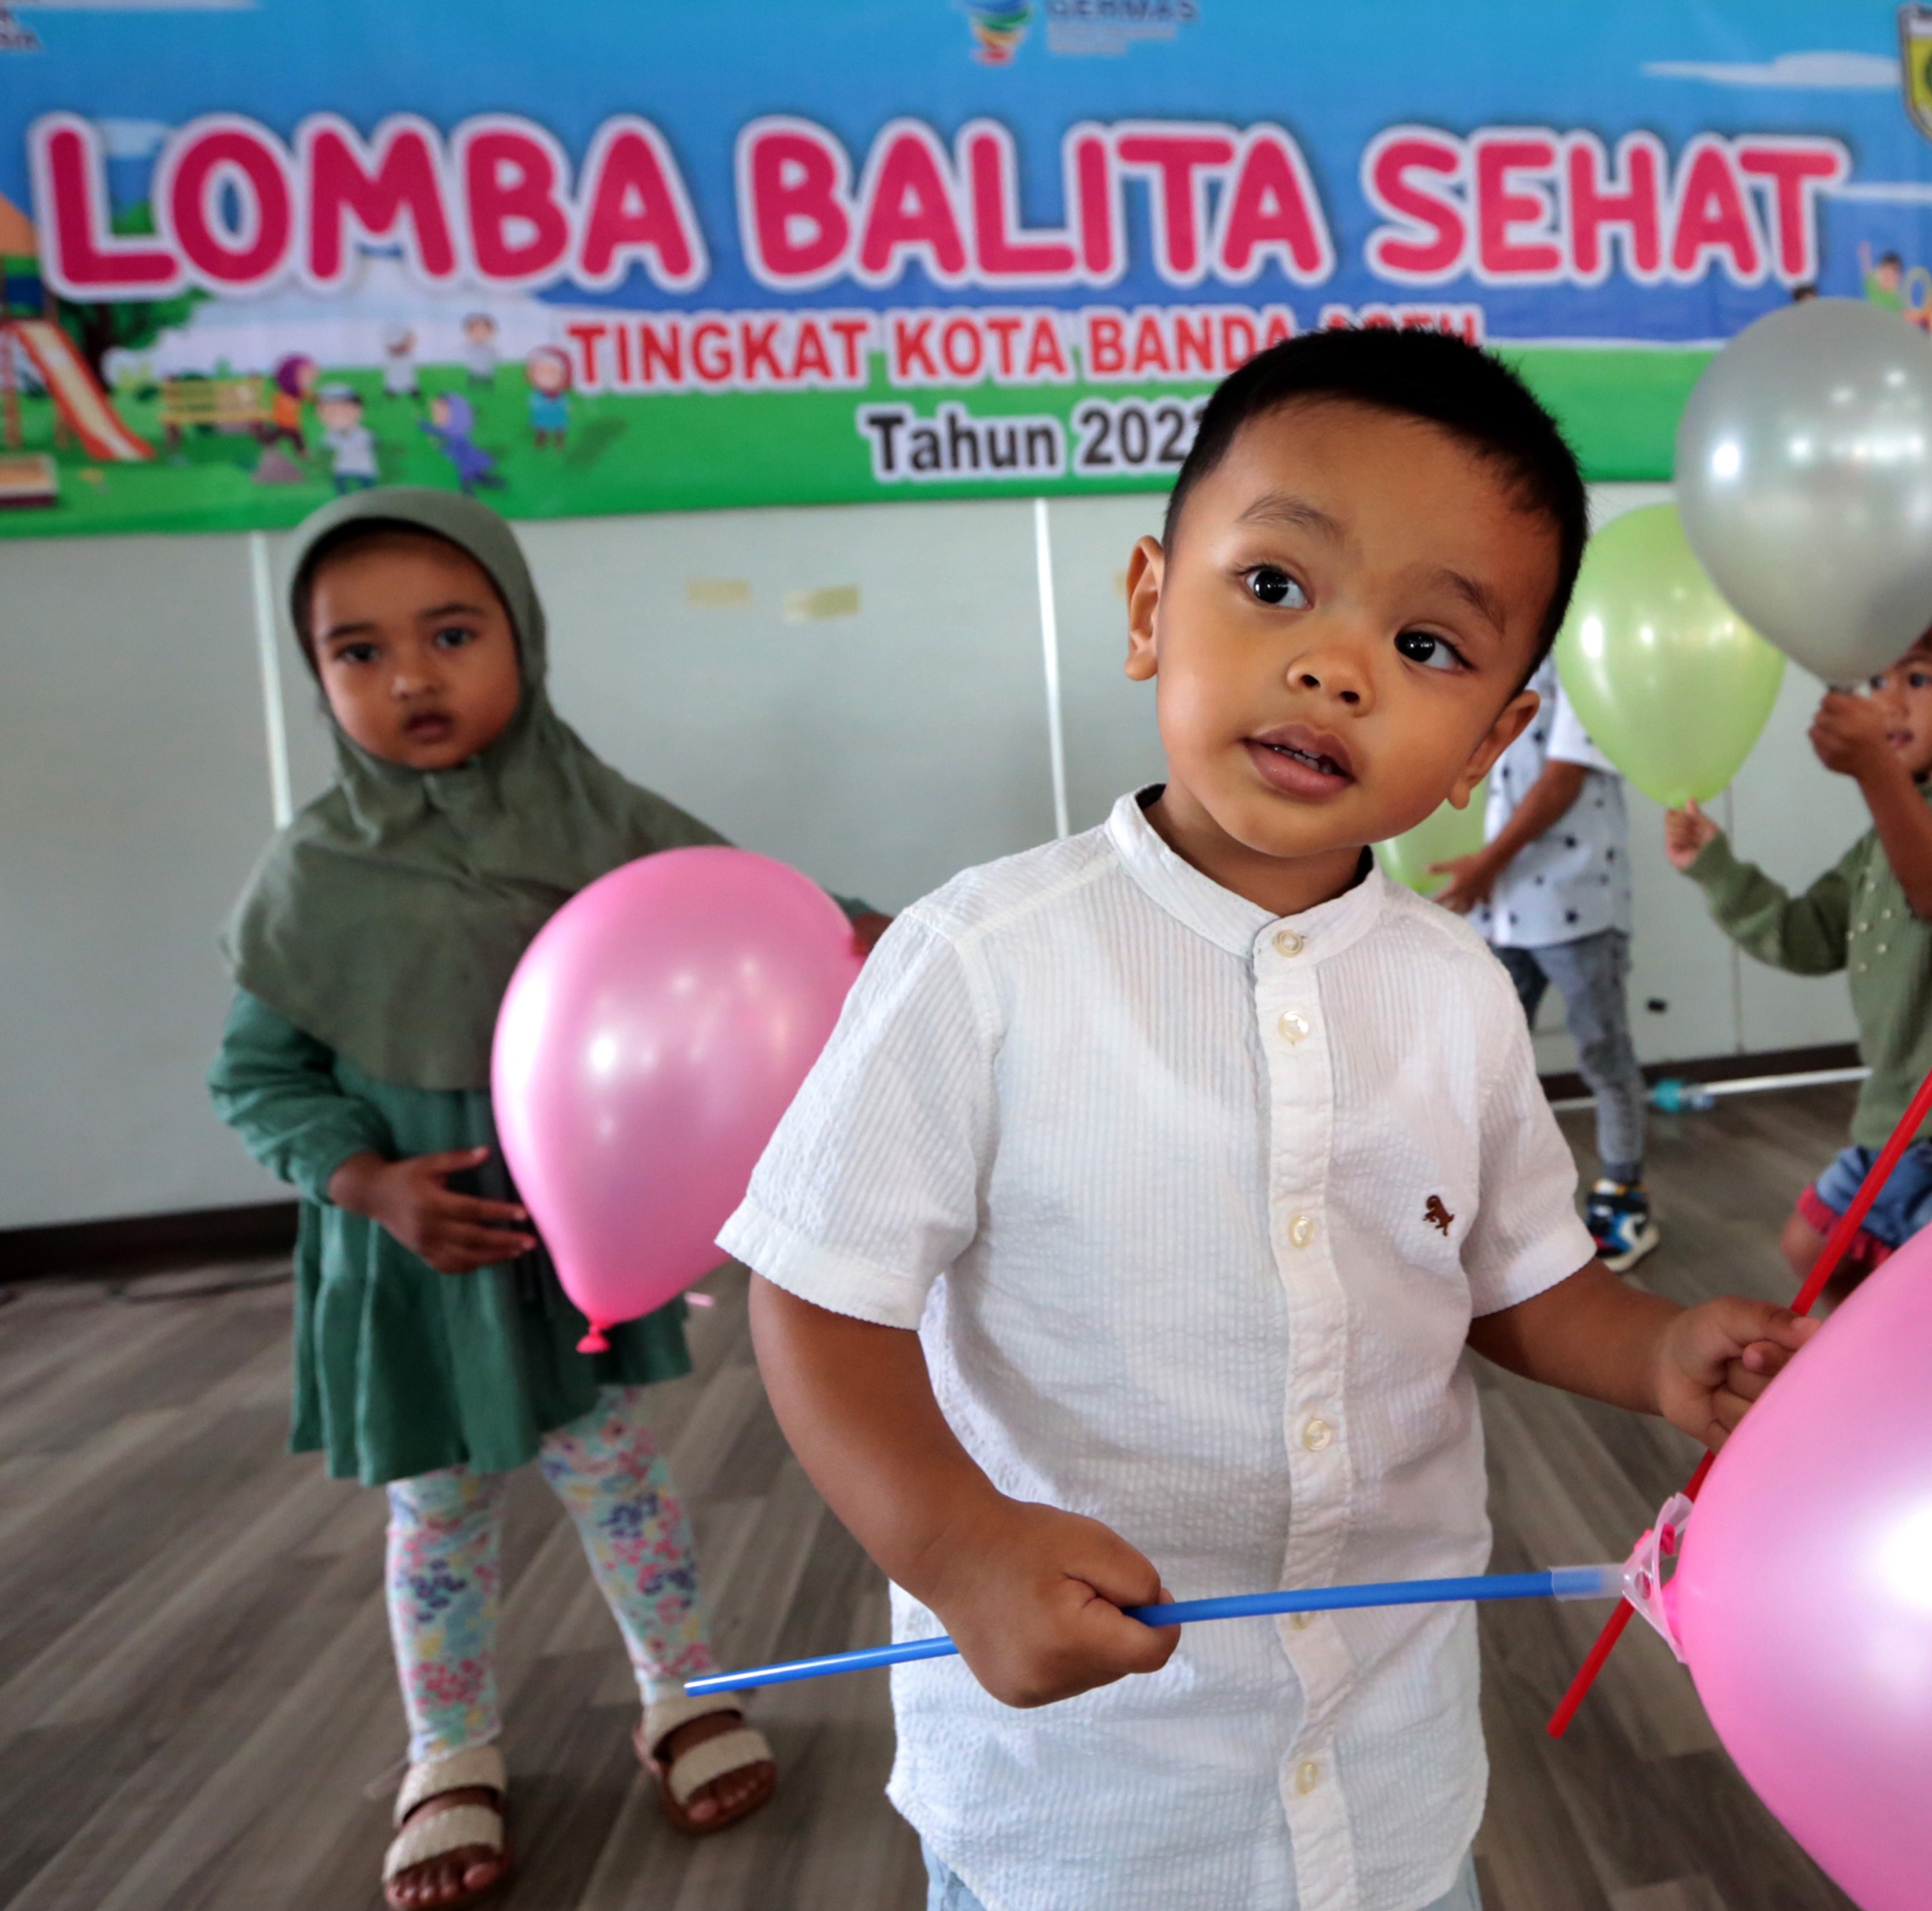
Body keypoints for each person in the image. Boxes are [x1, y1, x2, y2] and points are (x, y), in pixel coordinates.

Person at [723, 328, 1815, 1911]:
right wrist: (956, 1545)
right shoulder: (978, 961)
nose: (1336, 664)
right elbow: (818, 1300)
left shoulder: (1455, 993)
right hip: (1082, 1808)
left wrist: (1648, 1352)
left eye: (1430, 647)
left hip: (1387, 1787)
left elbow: (1512, 1277)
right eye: (1275, 587)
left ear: (1492, 743)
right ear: (1150, 604)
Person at [208, 491, 830, 1911]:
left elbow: (743, 906)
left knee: (619, 1478)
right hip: (417, 1262)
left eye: (449, 632)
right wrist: (367, 1182)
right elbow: (256, 1078)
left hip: (570, 1249)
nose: (411, 676)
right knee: (437, 1509)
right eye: (357, 652)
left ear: (521, 638)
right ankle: (450, 1749)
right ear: (314, 676)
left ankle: (684, 1691)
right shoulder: (311, 873)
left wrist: (859, 931)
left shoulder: (601, 816)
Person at [1664, 552, 1932, 1305]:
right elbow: (1807, 937)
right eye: (1881, 679)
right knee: (1810, 1247)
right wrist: (1716, 867)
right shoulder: (1894, 829)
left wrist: (1876, 777)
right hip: (1901, 1126)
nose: (1890, 702)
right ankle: (1887, 1381)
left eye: (1918, 679)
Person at [1428, 661, 1655, 1270]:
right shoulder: (1497, 653)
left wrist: (1486, 864)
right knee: (1488, 1066)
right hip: (1501, 910)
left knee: (1605, 1056)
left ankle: (1623, 1198)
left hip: (1576, 904)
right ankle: (1496, 1211)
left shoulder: (1585, 657)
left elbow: (1564, 780)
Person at [315, 381, 378, 494]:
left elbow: (372, 442)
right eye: (331, 413)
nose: (339, 416)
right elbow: (326, 446)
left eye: (345, 411)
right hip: (343, 466)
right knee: (341, 486)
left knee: (367, 491)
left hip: (364, 468)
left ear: (358, 410)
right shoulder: (330, 434)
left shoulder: (364, 433)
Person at [524, 345, 572, 449]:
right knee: (542, 430)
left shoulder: (560, 394)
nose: (547, 378)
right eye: (541, 373)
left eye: (553, 373)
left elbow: (565, 401)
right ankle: (541, 441)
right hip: (543, 416)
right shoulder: (537, 393)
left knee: (560, 430)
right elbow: (533, 402)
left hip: (558, 415)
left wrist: (567, 407)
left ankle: (559, 443)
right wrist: (542, 403)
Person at [461, 312, 499, 387]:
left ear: (490, 332)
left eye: (483, 330)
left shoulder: (491, 349)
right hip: (473, 375)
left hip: (487, 375)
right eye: (476, 330)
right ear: (469, 332)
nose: (479, 333)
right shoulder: (466, 349)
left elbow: (495, 360)